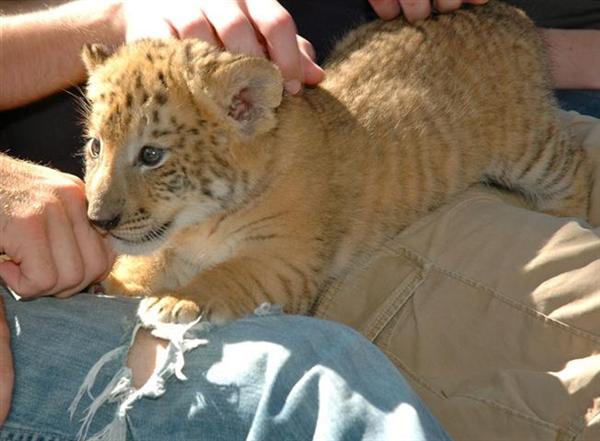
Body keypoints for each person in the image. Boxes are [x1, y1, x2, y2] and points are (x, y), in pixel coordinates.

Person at [1, 0, 599, 440]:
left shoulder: (259, 156)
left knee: (551, 168)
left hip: (451, 91)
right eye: (96, 148)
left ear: (246, 110)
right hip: (398, 245)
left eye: (149, 157)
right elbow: (280, 274)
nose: (101, 203)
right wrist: (113, 16)